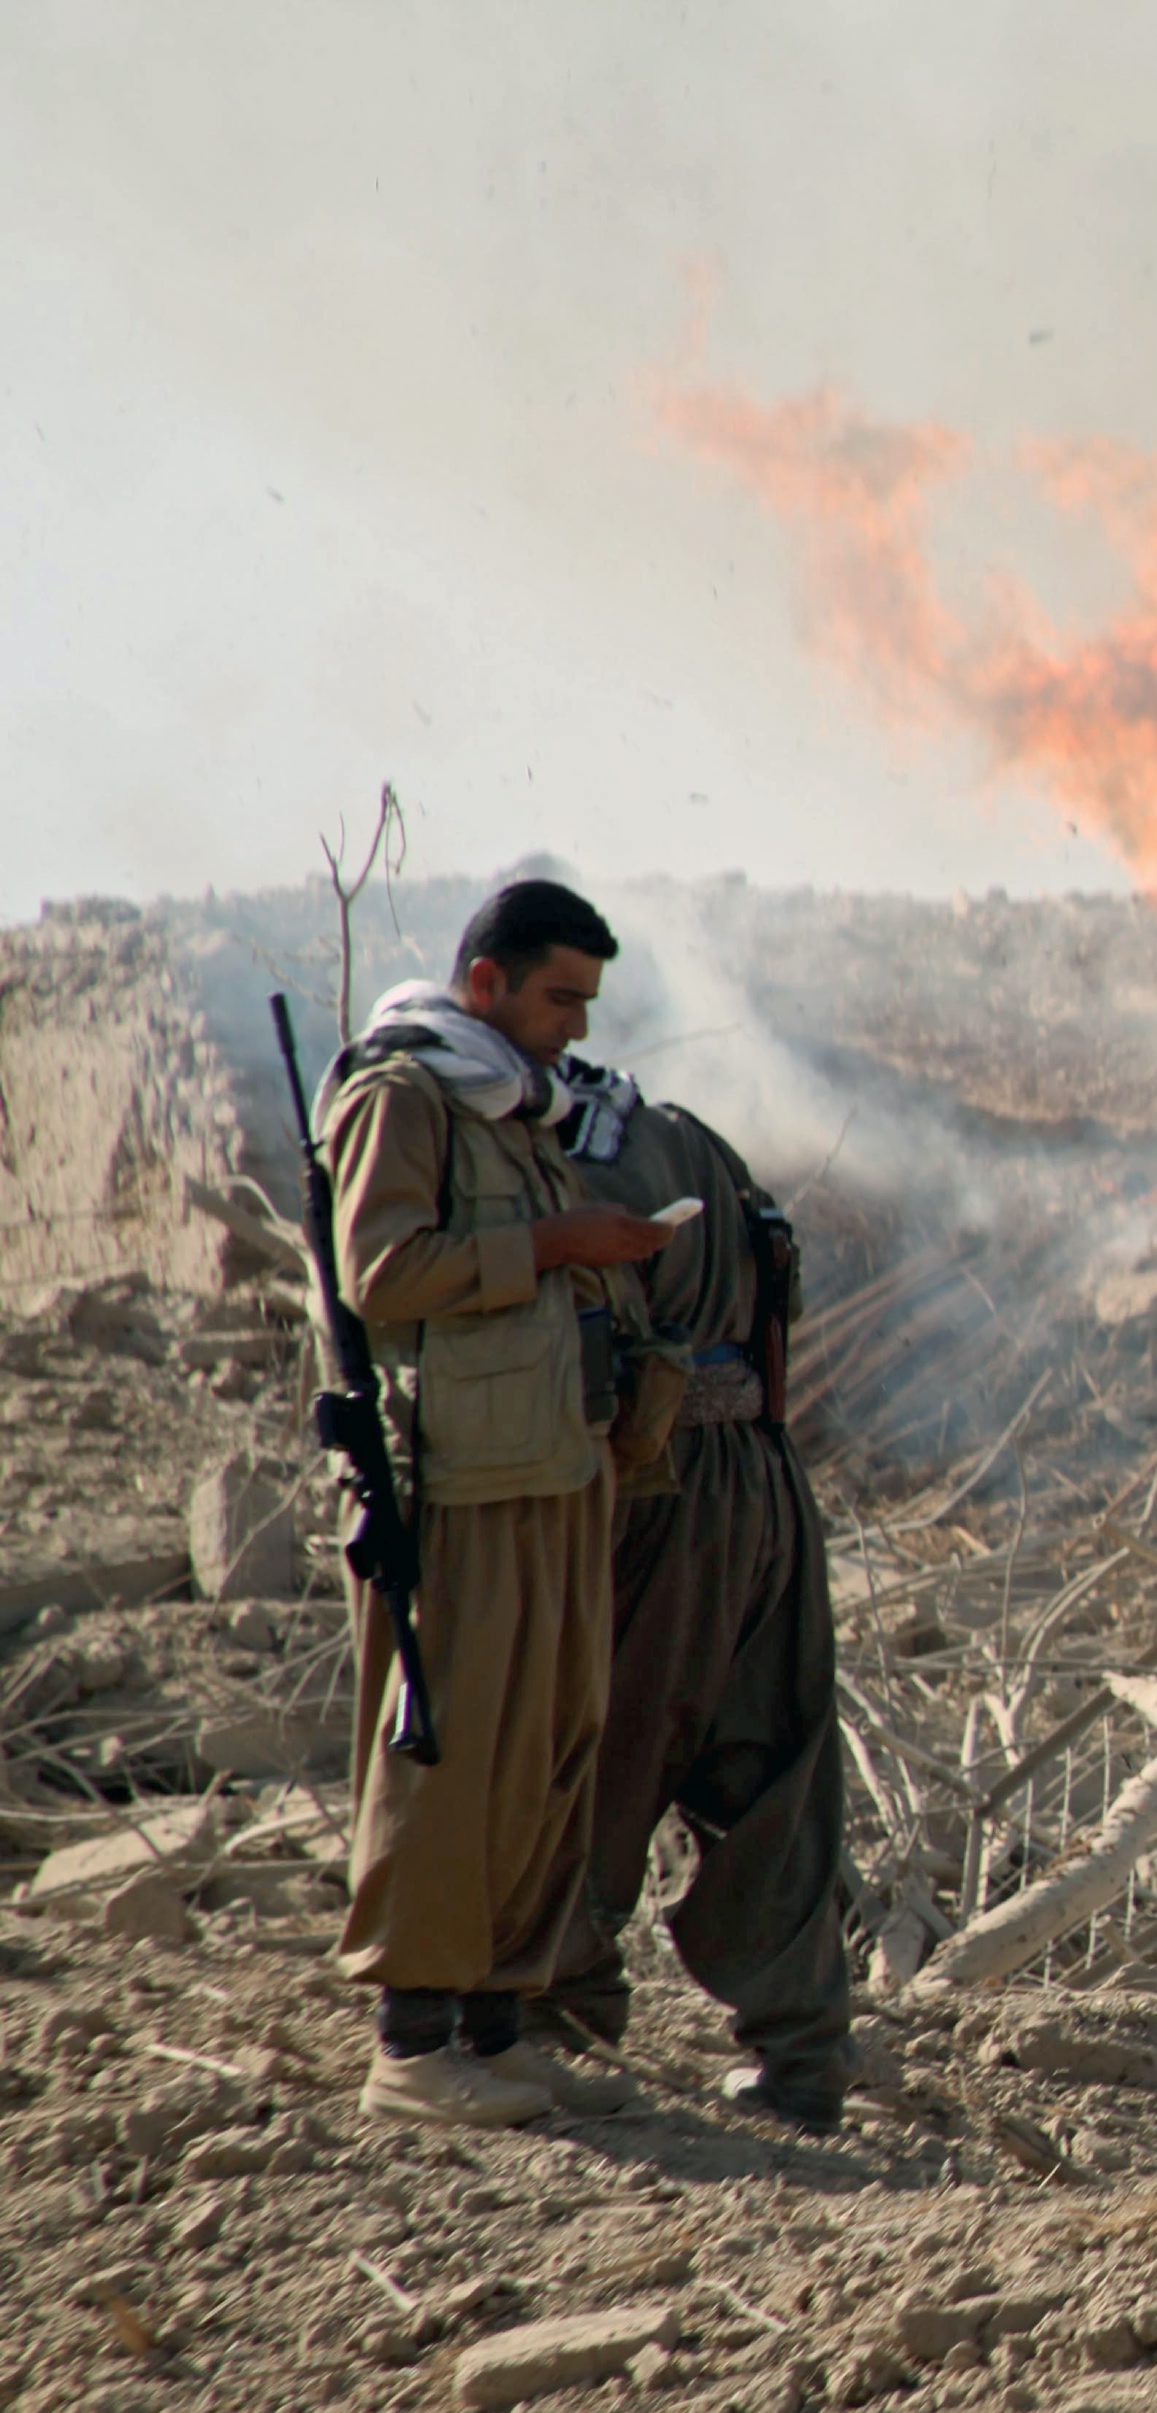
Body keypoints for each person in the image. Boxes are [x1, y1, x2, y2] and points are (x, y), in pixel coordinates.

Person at [318, 878, 673, 2130]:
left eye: (585, 999)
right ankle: (413, 2041)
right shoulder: (402, 1095)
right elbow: (385, 1273)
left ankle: (492, 2026)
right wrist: (564, 1245)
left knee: (544, 1750)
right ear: (487, 984)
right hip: (459, 1487)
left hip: (554, 1470)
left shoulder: (511, 1105)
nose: (575, 1024)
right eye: (558, 994)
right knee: (449, 1752)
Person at [531, 1064, 859, 2130]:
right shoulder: (697, 1137)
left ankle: (560, 2010)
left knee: (609, 1742)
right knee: (777, 1773)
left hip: (668, 1488)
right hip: (772, 1481)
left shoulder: (584, 1156)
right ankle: (801, 2054)